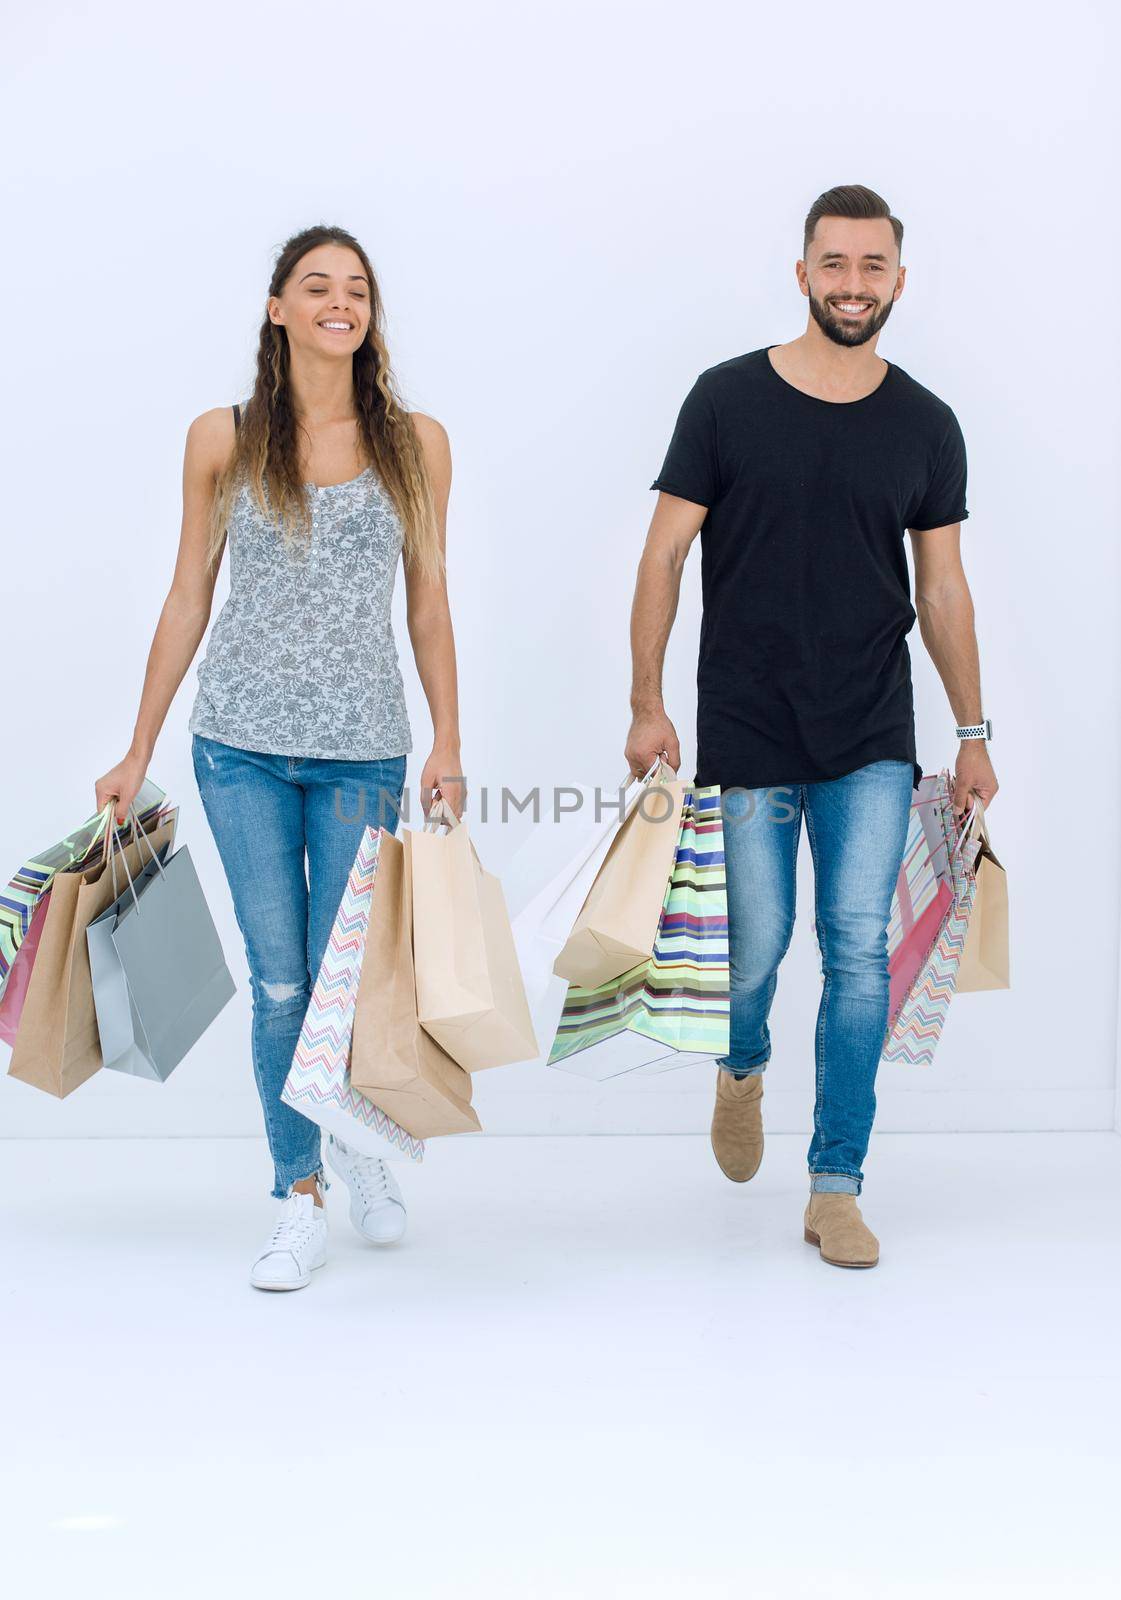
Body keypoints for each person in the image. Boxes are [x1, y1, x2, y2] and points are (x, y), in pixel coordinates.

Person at [625, 184, 998, 1269]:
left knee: (855, 953)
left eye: (869, 266)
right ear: (800, 273)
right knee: (752, 950)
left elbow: (943, 588)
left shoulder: (925, 425)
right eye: (832, 265)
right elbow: (660, 554)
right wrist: (645, 701)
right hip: (745, 718)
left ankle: (834, 1182)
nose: (850, 285)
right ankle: (740, 1064)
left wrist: (971, 732)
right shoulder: (724, 400)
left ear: (896, 278)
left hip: (872, 729)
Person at [95, 224, 465, 1291]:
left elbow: (429, 600)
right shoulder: (223, 437)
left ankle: (350, 1137)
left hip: (363, 750)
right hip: (239, 748)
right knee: (280, 979)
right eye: (316, 286)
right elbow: (186, 594)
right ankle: (294, 1192)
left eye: (355, 288)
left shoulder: (416, 442)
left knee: (339, 987)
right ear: (278, 309)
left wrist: (448, 738)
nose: (338, 303)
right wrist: (137, 745)